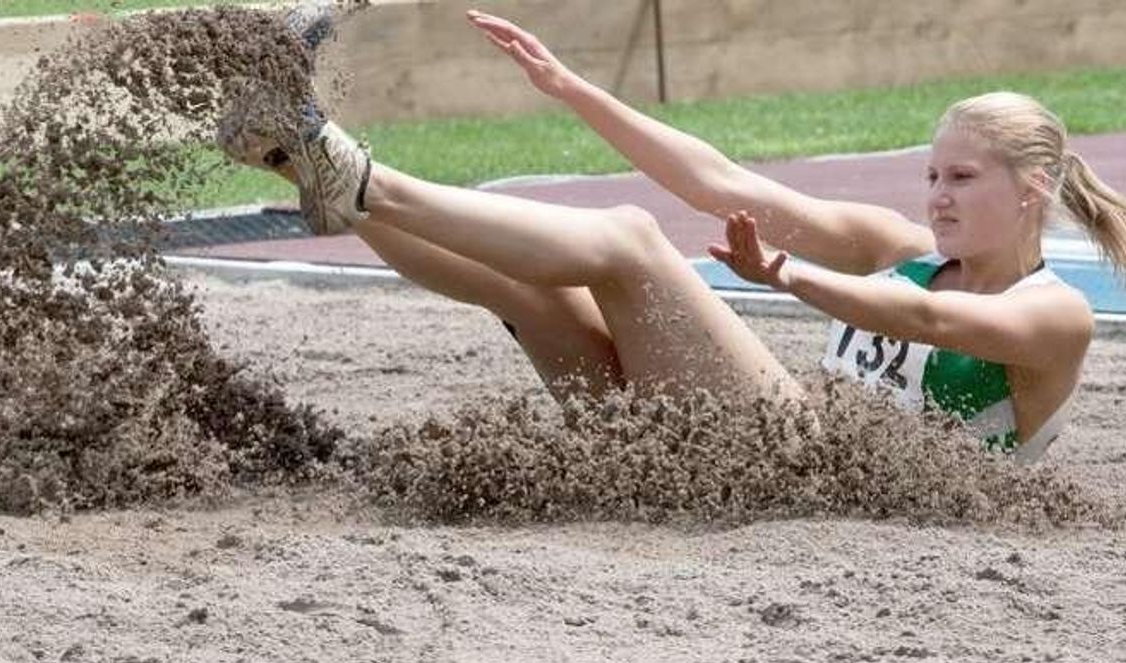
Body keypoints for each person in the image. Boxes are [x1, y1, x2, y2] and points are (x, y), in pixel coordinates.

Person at [218, 9, 1126, 463]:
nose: (936, 197)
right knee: (532, 287)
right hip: (726, 461)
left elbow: (927, 325)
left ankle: (355, 174)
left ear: (1031, 190)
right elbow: (720, 182)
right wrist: (571, 89)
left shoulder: (1056, 317)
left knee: (630, 241)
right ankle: (294, 161)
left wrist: (787, 277)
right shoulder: (897, 245)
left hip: (816, 472)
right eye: (932, 175)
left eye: (962, 178)